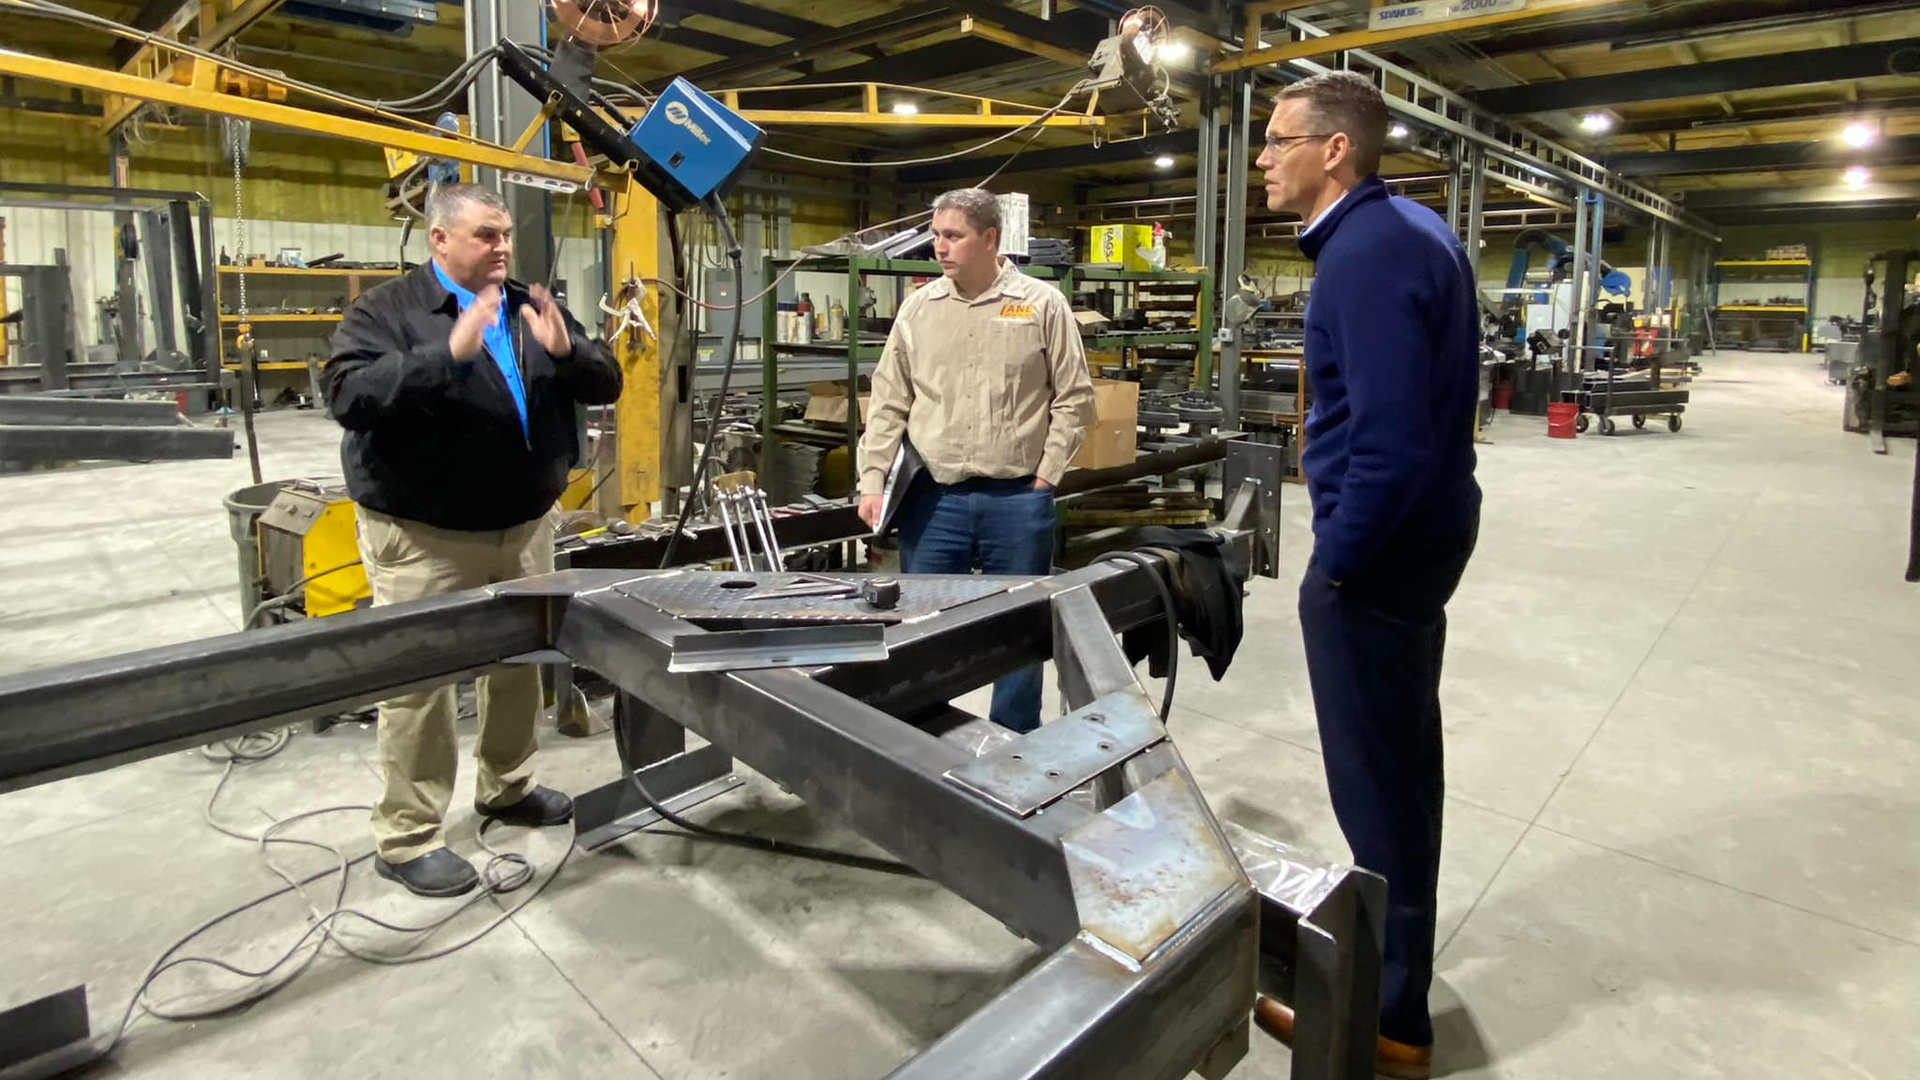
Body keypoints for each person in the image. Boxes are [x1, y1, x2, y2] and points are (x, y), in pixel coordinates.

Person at [1247, 72, 1482, 1080]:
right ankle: (1398, 982)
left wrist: (1337, 565)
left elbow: (1388, 442)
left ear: (1334, 148)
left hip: (1379, 559)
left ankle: (1386, 1020)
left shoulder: (1368, 252)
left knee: (1377, 791)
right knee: (1403, 772)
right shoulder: (1412, 230)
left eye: (1277, 139)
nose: (1263, 158)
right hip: (1421, 544)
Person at [325, 183, 623, 898]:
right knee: (420, 684)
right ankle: (407, 836)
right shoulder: (387, 311)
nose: (503, 247)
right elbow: (348, 397)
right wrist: (447, 355)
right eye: (487, 235)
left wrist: (568, 350)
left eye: (506, 234)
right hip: (425, 534)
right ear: (440, 239)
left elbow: (606, 382)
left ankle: (508, 785)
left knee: (518, 665)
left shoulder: (528, 305)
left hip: (523, 526)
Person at [856, 187, 1095, 733]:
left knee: (1018, 630)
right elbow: (889, 400)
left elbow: (1075, 397)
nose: (940, 247)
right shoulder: (920, 309)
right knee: (922, 627)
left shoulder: (1041, 304)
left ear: (989, 238)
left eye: (953, 236)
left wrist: (1047, 475)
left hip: (1017, 500)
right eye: (936, 235)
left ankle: (1014, 738)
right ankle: (924, 733)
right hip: (933, 499)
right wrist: (872, 479)